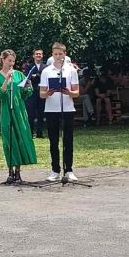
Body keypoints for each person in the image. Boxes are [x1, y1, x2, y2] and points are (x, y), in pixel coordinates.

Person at [0, 50, 37, 183]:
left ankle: (18, 172)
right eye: (9, 61)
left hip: (19, 110)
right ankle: (10, 172)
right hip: (7, 111)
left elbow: (26, 93)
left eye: (13, 61)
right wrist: (7, 79)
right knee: (9, 140)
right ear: (3, 60)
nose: (11, 63)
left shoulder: (19, 74)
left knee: (20, 138)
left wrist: (27, 86)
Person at [39, 42, 80, 182]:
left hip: (67, 108)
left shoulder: (71, 70)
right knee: (53, 140)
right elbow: (41, 94)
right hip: (51, 109)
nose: (58, 56)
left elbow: (76, 92)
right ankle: (55, 170)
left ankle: (69, 170)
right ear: (52, 55)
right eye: (55, 54)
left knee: (68, 140)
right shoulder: (46, 71)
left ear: (65, 54)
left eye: (60, 54)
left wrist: (69, 92)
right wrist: (48, 93)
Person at [23, 48, 47, 138]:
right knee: (31, 113)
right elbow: (27, 78)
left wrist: (36, 75)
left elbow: (45, 77)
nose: (38, 55)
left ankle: (40, 133)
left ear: (42, 55)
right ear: (33, 56)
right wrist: (37, 76)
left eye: (40, 54)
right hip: (31, 92)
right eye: (36, 54)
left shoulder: (46, 66)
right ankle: (30, 133)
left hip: (42, 91)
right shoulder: (29, 66)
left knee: (41, 113)